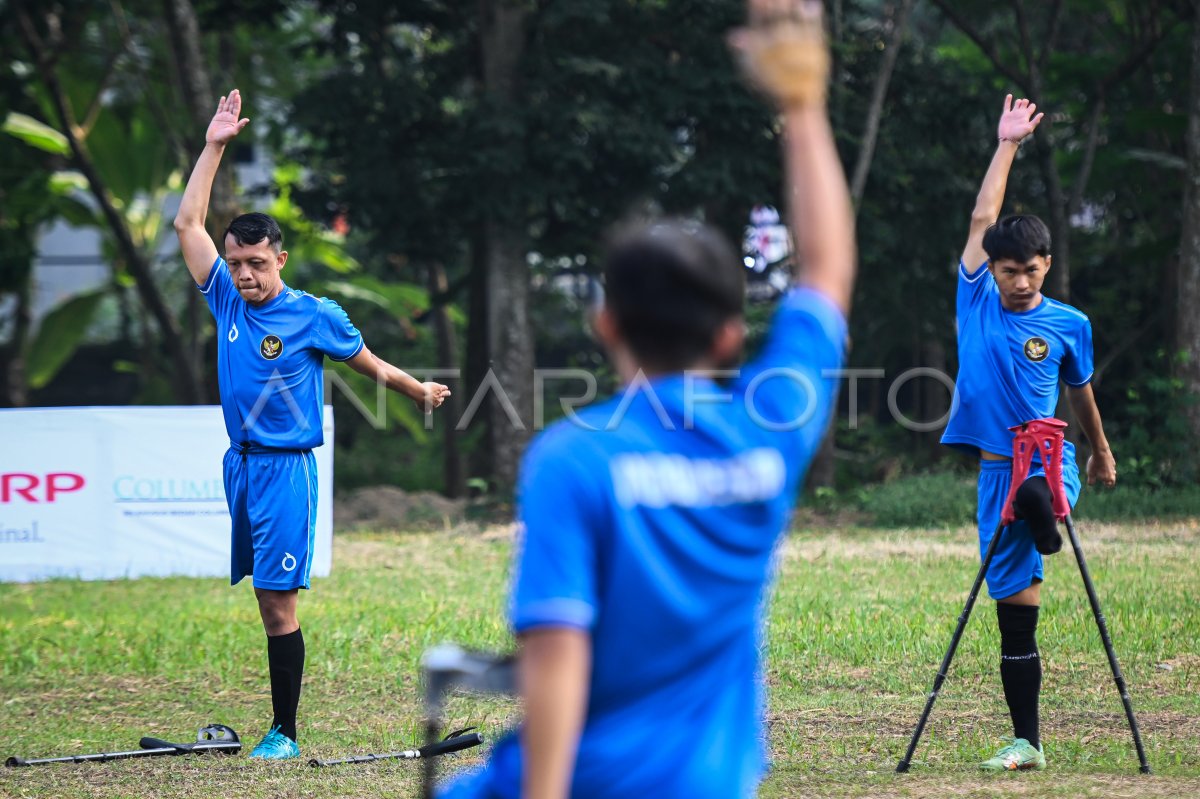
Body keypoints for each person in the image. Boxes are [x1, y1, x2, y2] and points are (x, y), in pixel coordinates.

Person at [439, 1, 854, 796]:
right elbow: (825, 275)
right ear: (732, 335)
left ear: (606, 323)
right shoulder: (770, 433)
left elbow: (558, 653)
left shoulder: (575, 457)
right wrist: (803, 107)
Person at [173, 89, 451, 760]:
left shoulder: (312, 314)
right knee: (265, 601)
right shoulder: (224, 298)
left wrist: (416, 390)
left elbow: (365, 362)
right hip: (239, 464)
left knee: (278, 604)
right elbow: (188, 224)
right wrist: (213, 147)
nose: (244, 275)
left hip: (286, 468)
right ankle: (280, 726)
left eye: (256, 264)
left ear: (280, 259)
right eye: (236, 264)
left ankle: (285, 733)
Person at [941, 94, 1117, 772]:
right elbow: (984, 217)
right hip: (995, 471)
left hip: (1050, 455)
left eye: (1030, 268)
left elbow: (1082, 393)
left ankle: (1043, 505)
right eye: (1008, 268)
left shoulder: (1070, 323)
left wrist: (1100, 452)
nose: (1018, 279)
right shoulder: (976, 298)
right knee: (1016, 609)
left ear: (1048, 263)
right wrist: (1007, 143)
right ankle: (1029, 743)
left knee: (1039, 481)